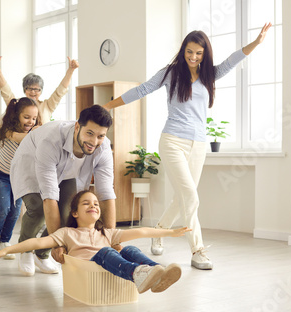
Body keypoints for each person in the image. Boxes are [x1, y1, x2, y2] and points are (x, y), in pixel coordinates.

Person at [104, 23, 272, 270]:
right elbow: (142, 90)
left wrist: (256, 43)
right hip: (172, 141)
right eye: (190, 51)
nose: (193, 57)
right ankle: (197, 250)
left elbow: (232, 60)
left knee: (183, 198)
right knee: (191, 197)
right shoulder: (170, 73)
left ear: (205, 54)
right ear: (183, 50)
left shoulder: (209, 75)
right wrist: (107, 107)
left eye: (199, 53)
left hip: (199, 144)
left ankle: (159, 231)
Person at [0, 190, 190, 294]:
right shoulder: (66, 234)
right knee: (106, 253)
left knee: (130, 248)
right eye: (86, 203)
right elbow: (35, 243)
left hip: (111, 271)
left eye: (96, 203)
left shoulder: (107, 233)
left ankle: (157, 272)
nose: (94, 205)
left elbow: (141, 231)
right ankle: (139, 274)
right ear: (75, 212)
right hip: (88, 272)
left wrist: (170, 232)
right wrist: (4, 250)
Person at [9, 105, 116, 276]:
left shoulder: (103, 148)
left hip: (67, 171)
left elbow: (105, 193)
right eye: (89, 133)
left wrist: (111, 238)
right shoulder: (50, 141)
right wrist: (59, 245)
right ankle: (26, 249)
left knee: (70, 211)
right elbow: (49, 197)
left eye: (100, 136)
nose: (94, 142)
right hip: (30, 165)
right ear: (77, 127)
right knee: (37, 208)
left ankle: (41, 254)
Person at [0, 97, 40, 258]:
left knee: (15, 212)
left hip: (18, 176)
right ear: (17, 115)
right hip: (1, 173)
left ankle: (5, 242)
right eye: (26, 117)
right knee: (4, 207)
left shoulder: (34, 133)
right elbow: (18, 138)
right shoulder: (8, 129)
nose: (30, 121)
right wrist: (37, 134)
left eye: (34, 118)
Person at [0, 56, 79, 124]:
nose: (33, 92)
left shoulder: (47, 106)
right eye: (29, 88)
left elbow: (60, 90)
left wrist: (71, 70)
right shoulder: (16, 104)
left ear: (41, 91)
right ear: (24, 90)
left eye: (37, 89)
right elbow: (6, 91)